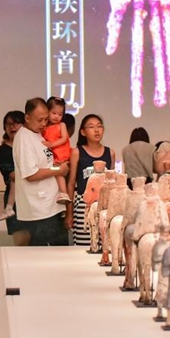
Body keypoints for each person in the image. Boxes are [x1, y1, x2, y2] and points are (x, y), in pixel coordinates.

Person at [13, 97, 69, 246]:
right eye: (40, 120)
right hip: (40, 209)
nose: (44, 124)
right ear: (27, 117)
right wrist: (59, 170)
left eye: (46, 119)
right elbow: (31, 174)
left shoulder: (39, 134)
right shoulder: (24, 138)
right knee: (47, 256)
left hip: (51, 205)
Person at [67, 114, 115, 246]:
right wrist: (69, 212)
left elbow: (112, 183)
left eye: (100, 126)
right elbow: (71, 183)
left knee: (104, 243)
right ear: (83, 132)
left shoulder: (109, 153)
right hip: (84, 203)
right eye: (91, 127)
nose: (97, 130)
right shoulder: (77, 152)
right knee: (84, 243)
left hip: (104, 205)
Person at [0, 110, 30, 246]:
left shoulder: (30, 146)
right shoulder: (3, 150)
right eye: (8, 124)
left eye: (16, 123)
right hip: (14, 199)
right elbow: (13, 176)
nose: (12, 127)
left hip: (33, 198)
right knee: (21, 243)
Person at [42, 96, 72, 204]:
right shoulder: (44, 127)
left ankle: (63, 193)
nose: (56, 117)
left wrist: (52, 144)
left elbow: (64, 138)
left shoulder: (61, 125)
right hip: (51, 155)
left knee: (59, 173)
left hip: (60, 153)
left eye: (60, 114)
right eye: (54, 113)